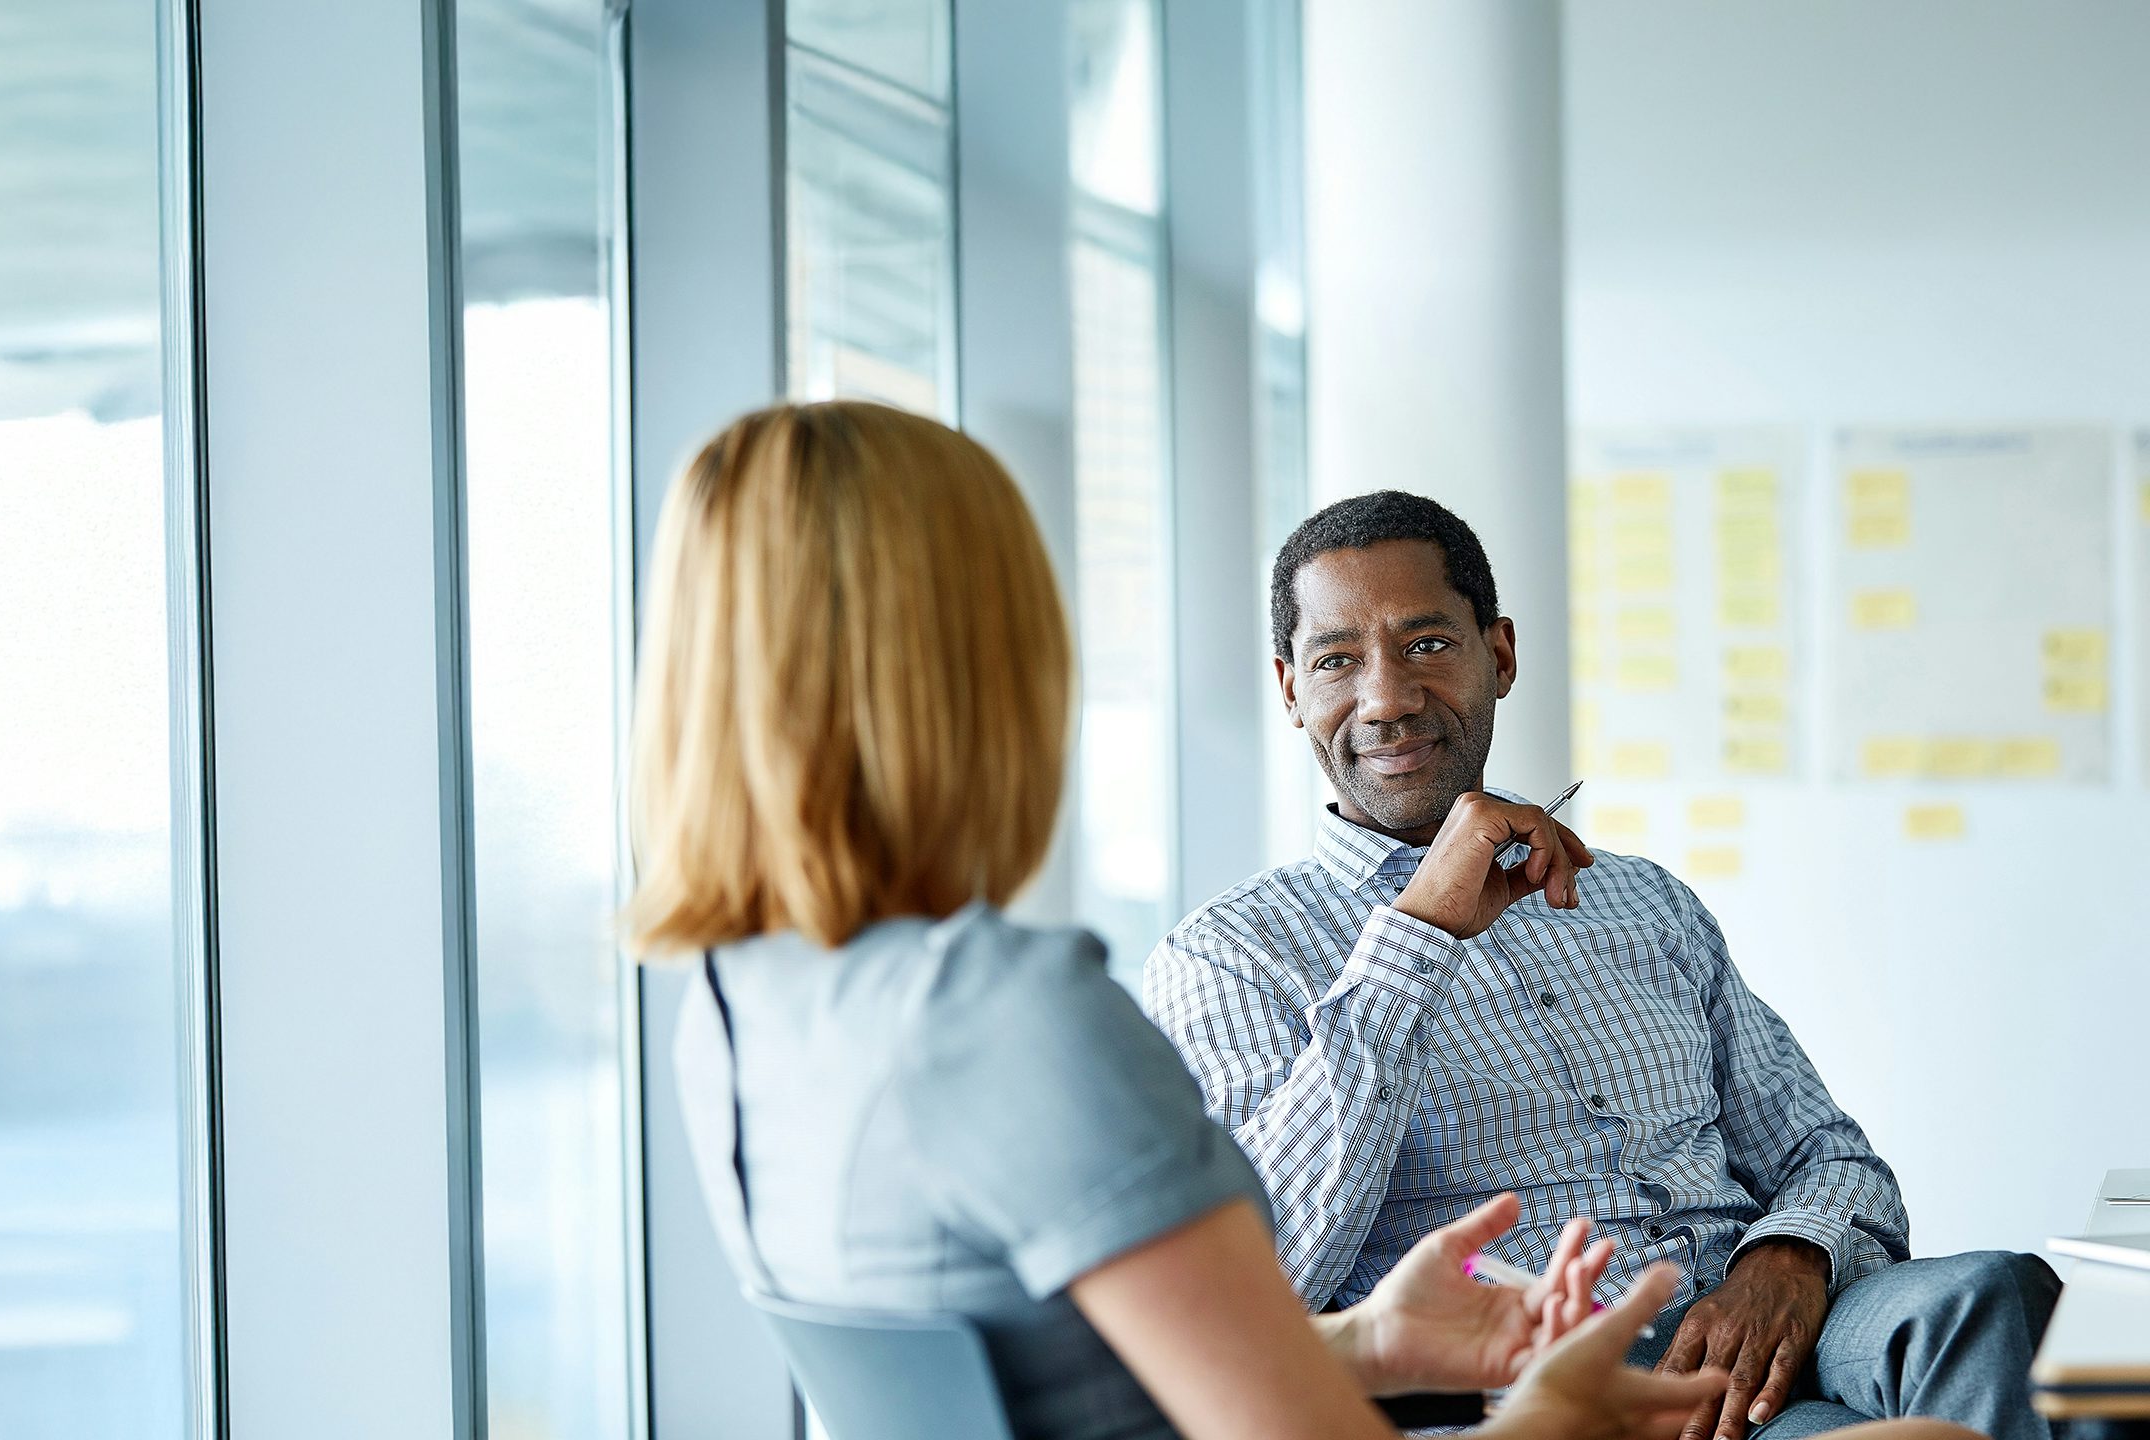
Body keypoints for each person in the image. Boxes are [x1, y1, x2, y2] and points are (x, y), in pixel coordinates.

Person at [623, 401, 1942, 1440]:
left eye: (1429, 645)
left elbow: (1073, 1388)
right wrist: (1554, 1420)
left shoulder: (742, 1011)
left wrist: (1372, 1342)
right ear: (977, 666)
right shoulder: (1013, 1014)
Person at [1145, 490, 2064, 1440]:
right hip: (1566, 1388)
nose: (1386, 697)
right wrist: (1413, 938)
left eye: (1427, 646)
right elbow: (1268, 1275)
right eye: (1338, 661)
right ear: (1292, 690)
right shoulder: (1229, 957)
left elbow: (1827, 1155)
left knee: (1990, 1297)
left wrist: (1789, 1256)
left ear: (1498, 655)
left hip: (1781, 1316)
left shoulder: (1642, 901)